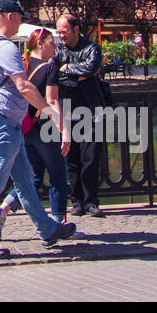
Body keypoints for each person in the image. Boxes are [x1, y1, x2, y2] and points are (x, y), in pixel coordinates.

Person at [0, 0, 76, 259]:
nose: (21, 25)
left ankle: (47, 228)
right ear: (11, 17)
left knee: (25, 180)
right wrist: (53, 116)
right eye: (20, 18)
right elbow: (24, 86)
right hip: (3, 124)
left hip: (0, 122)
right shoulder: (5, 47)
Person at [0, 26, 72, 240]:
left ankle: (3, 209)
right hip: (45, 127)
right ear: (41, 44)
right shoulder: (49, 69)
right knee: (58, 176)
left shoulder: (23, 66)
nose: (55, 47)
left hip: (24, 128)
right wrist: (63, 129)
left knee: (32, 177)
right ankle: (57, 225)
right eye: (52, 43)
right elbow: (52, 101)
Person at [54, 13, 107, 218]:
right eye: (59, 32)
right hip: (67, 112)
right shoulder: (59, 51)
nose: (61, 36)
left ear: (76, 29)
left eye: (64, 31)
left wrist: (68, 68)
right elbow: (55, 73)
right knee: (72, 159)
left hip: (92, 111)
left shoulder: (91, 48)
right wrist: (78, 75)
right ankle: (76, 202)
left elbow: (92, 68)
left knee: (91, 158)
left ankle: (91, 202)